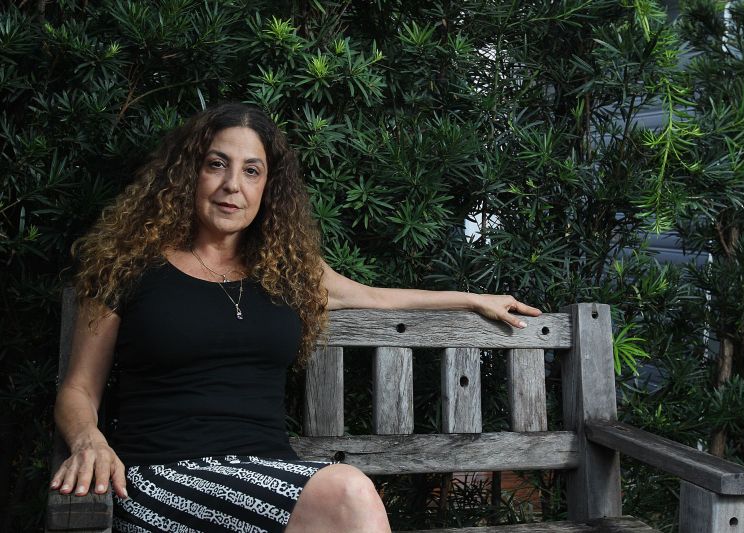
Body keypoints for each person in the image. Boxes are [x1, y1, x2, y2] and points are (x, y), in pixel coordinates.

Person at [49, 102, 541, 532]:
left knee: (342, 500)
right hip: (162, 481)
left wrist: (473, 299)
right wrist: (89, 441)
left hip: (270, 482)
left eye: (251, 171)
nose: (231, 185)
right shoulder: (127, 265)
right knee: (348, 493)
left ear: (268, 187)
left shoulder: (287, 272)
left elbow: (376, 299)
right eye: (216, 164)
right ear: (187, 174)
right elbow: (78, 389)